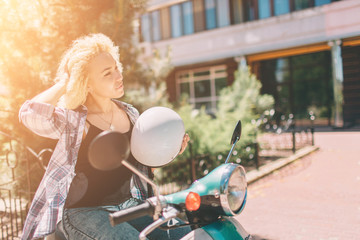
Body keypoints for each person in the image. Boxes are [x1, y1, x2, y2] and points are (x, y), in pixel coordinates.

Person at [19, 33, 190, 240]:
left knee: (187, 233)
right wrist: (66, 81)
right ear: (87, 83)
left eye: (116, 68)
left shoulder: (131, 114)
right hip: (85, 213)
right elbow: (30, 115)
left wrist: (170, 151)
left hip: (130, 206)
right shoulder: (75, 121)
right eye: (107, 73)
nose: (119, 76)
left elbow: (142, 167)